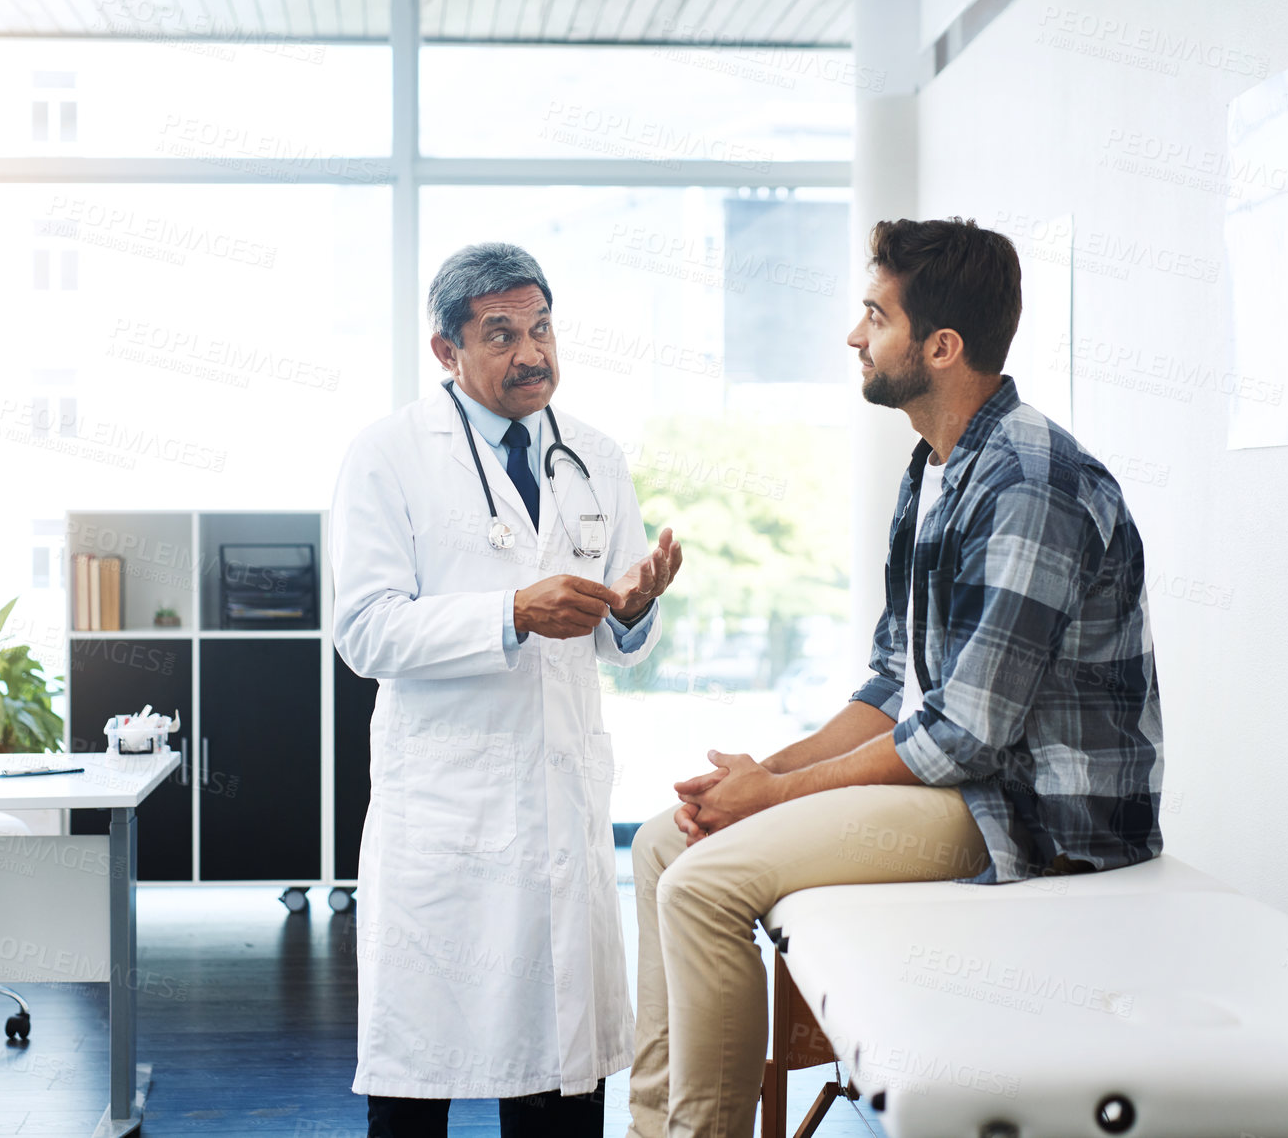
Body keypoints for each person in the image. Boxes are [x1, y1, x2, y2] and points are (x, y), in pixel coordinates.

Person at [625, 217, 1165, 1138]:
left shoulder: (1031, 482)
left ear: (940, 347)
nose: (852, 335)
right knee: (659, 844)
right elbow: (891, 682)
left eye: (873, 316)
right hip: (971, 782)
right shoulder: (936, 467)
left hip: (1034, 813)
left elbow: (963, 733)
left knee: (703, 884)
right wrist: (755, 774)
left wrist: (776, 793)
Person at [331, 242, 683, 1137]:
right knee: (421, 1081)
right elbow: (365, 630)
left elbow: (617, 645)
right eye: (502, 335)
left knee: (560, 1083)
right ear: (446, 350)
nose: (533, 353)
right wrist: (510, 613)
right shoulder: (387, 455)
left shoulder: (593, 456)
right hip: (446, 820)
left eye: (542, 328)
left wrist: (634, 611)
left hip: (562, 808)